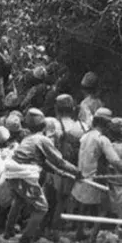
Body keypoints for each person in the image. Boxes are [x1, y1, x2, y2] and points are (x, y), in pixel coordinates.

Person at [0, 115, 83, 243]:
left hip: (12, 172)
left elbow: (42, 162)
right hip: (25, 173)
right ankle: (25, 241)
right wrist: (77, 171)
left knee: (19, 200)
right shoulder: (42, 139)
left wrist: (60, 173)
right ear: (44, 128)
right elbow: (59, 161)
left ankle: (8, 232)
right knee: (41, 208)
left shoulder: (28, 139)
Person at [71, 108, 122, 243]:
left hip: (83, 177)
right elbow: (115, 161)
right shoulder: (102, 140)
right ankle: (92, 239)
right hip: (96, 179)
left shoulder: (86, 135)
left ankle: (79, 232)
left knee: (83, 206)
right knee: (103, 209)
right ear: (105, 123)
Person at [44, 94, 86, 231]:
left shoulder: (54, 125)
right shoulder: (82, 126)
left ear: (57, 108)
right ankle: (71, 227)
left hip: (58, 166)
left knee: (56, 199)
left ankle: (52, 228)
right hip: (77, 166)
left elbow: (48, 147)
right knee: (71, 198)